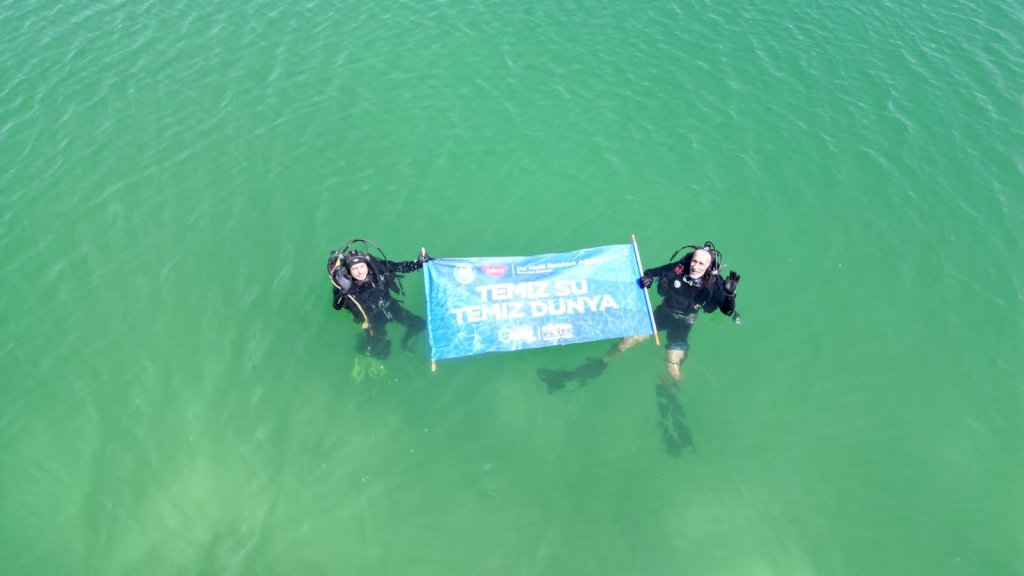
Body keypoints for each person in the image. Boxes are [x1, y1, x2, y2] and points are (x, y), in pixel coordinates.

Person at [538, 242, 740, 391]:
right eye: (694, 261)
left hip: (683, 324)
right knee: (626, 343)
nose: (695, 266)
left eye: (701, 264)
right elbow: (653, 272)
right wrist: (648, 279)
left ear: (709, 267)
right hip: (661, 315)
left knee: (672, 367)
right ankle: (600, 364)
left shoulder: (713, 285)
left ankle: (675, 391)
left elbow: (727, 311)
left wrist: (730, 295)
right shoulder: (679, 269)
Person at [328, 242, 432, 359]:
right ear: (349, 270)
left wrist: (419, 264)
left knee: (420, 325)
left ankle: (404, 342)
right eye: (355, 268)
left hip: (391, 307)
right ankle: (365, 343)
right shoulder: (344, 284)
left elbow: (399, 267)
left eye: (362, 266)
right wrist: (343, 291)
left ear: (366, 265)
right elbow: (336, 305)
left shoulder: (378, 269)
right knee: (381, 353)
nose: (360, 272)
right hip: (371, 320)